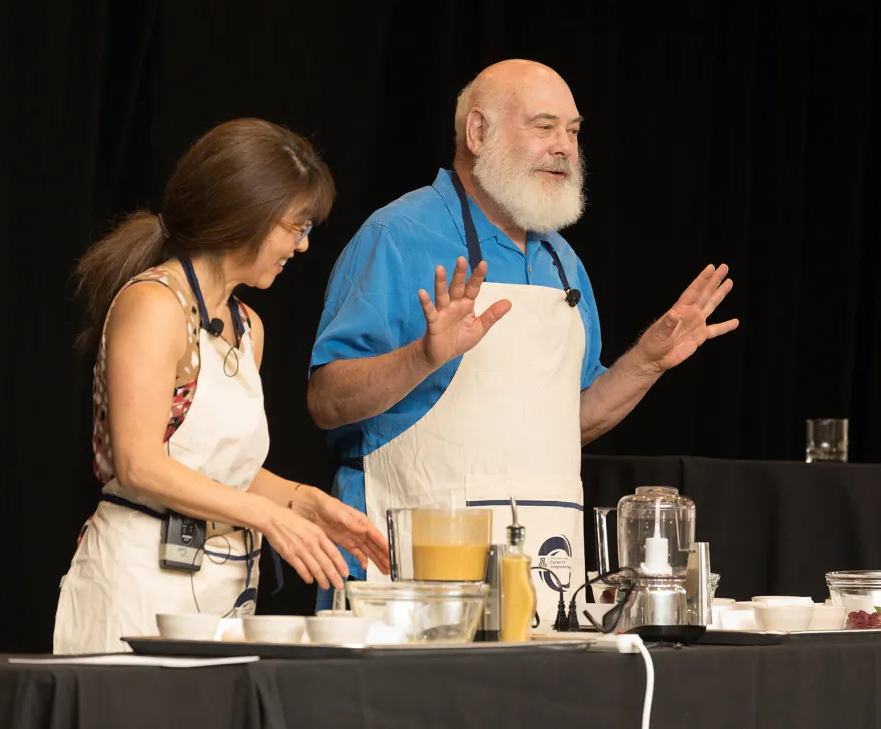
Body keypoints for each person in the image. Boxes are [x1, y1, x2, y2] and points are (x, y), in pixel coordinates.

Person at [306, 60, 738, 623]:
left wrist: (647, 364)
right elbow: (326, 401)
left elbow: (569, 424)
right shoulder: (399, 236)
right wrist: (425, 355)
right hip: (404, 570)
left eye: (574, 131)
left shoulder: (562, 262)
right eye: (544, 126)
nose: (565, 148)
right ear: (478, 132)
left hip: (540, 568)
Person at [54, 118, 389, 654]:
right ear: (246, 214)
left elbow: (218, 467)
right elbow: (140, 462)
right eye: (296, 225)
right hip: (138, 584)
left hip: (224, 588)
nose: (302, 246)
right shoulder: (155, 305)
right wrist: (269, 517)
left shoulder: (247, 327)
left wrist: (304, 503)